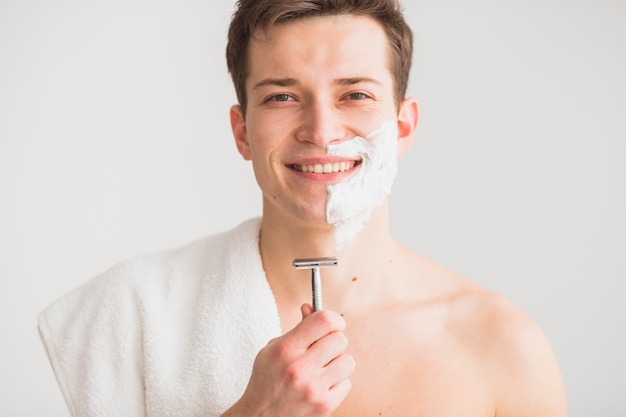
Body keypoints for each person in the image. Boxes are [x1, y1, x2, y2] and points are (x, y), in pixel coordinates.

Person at [38, 0, 568, 416]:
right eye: (282, 97)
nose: (321, 131)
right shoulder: (129, 316)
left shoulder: (502, 347)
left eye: (354, 94)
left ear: (403, 126)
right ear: (243, 132)